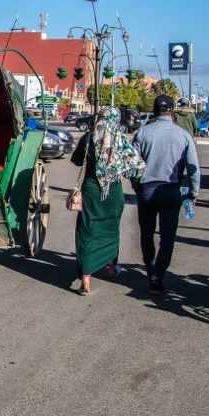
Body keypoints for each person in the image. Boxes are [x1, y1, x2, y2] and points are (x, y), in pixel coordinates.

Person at [70, 106, 146, 295]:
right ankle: (111, 269)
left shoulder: (89, 138)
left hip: (91, 191)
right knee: (111, 230)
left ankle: (86, 278)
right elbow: (135, 167)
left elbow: (77, 160)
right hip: (113, 191)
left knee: (87, 230)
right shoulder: (120, 140)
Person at [132, 95, 200, 295]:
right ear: (172, 112)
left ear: (153, 111)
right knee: (167, 237)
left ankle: (150, 267)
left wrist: (137, 185)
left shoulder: (142, 133)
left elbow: (133, 165)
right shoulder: (183, 135)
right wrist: (193, 192)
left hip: (147, 189)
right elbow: (193, 168)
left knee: (146, 232)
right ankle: (158, 277)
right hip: (171, 190)